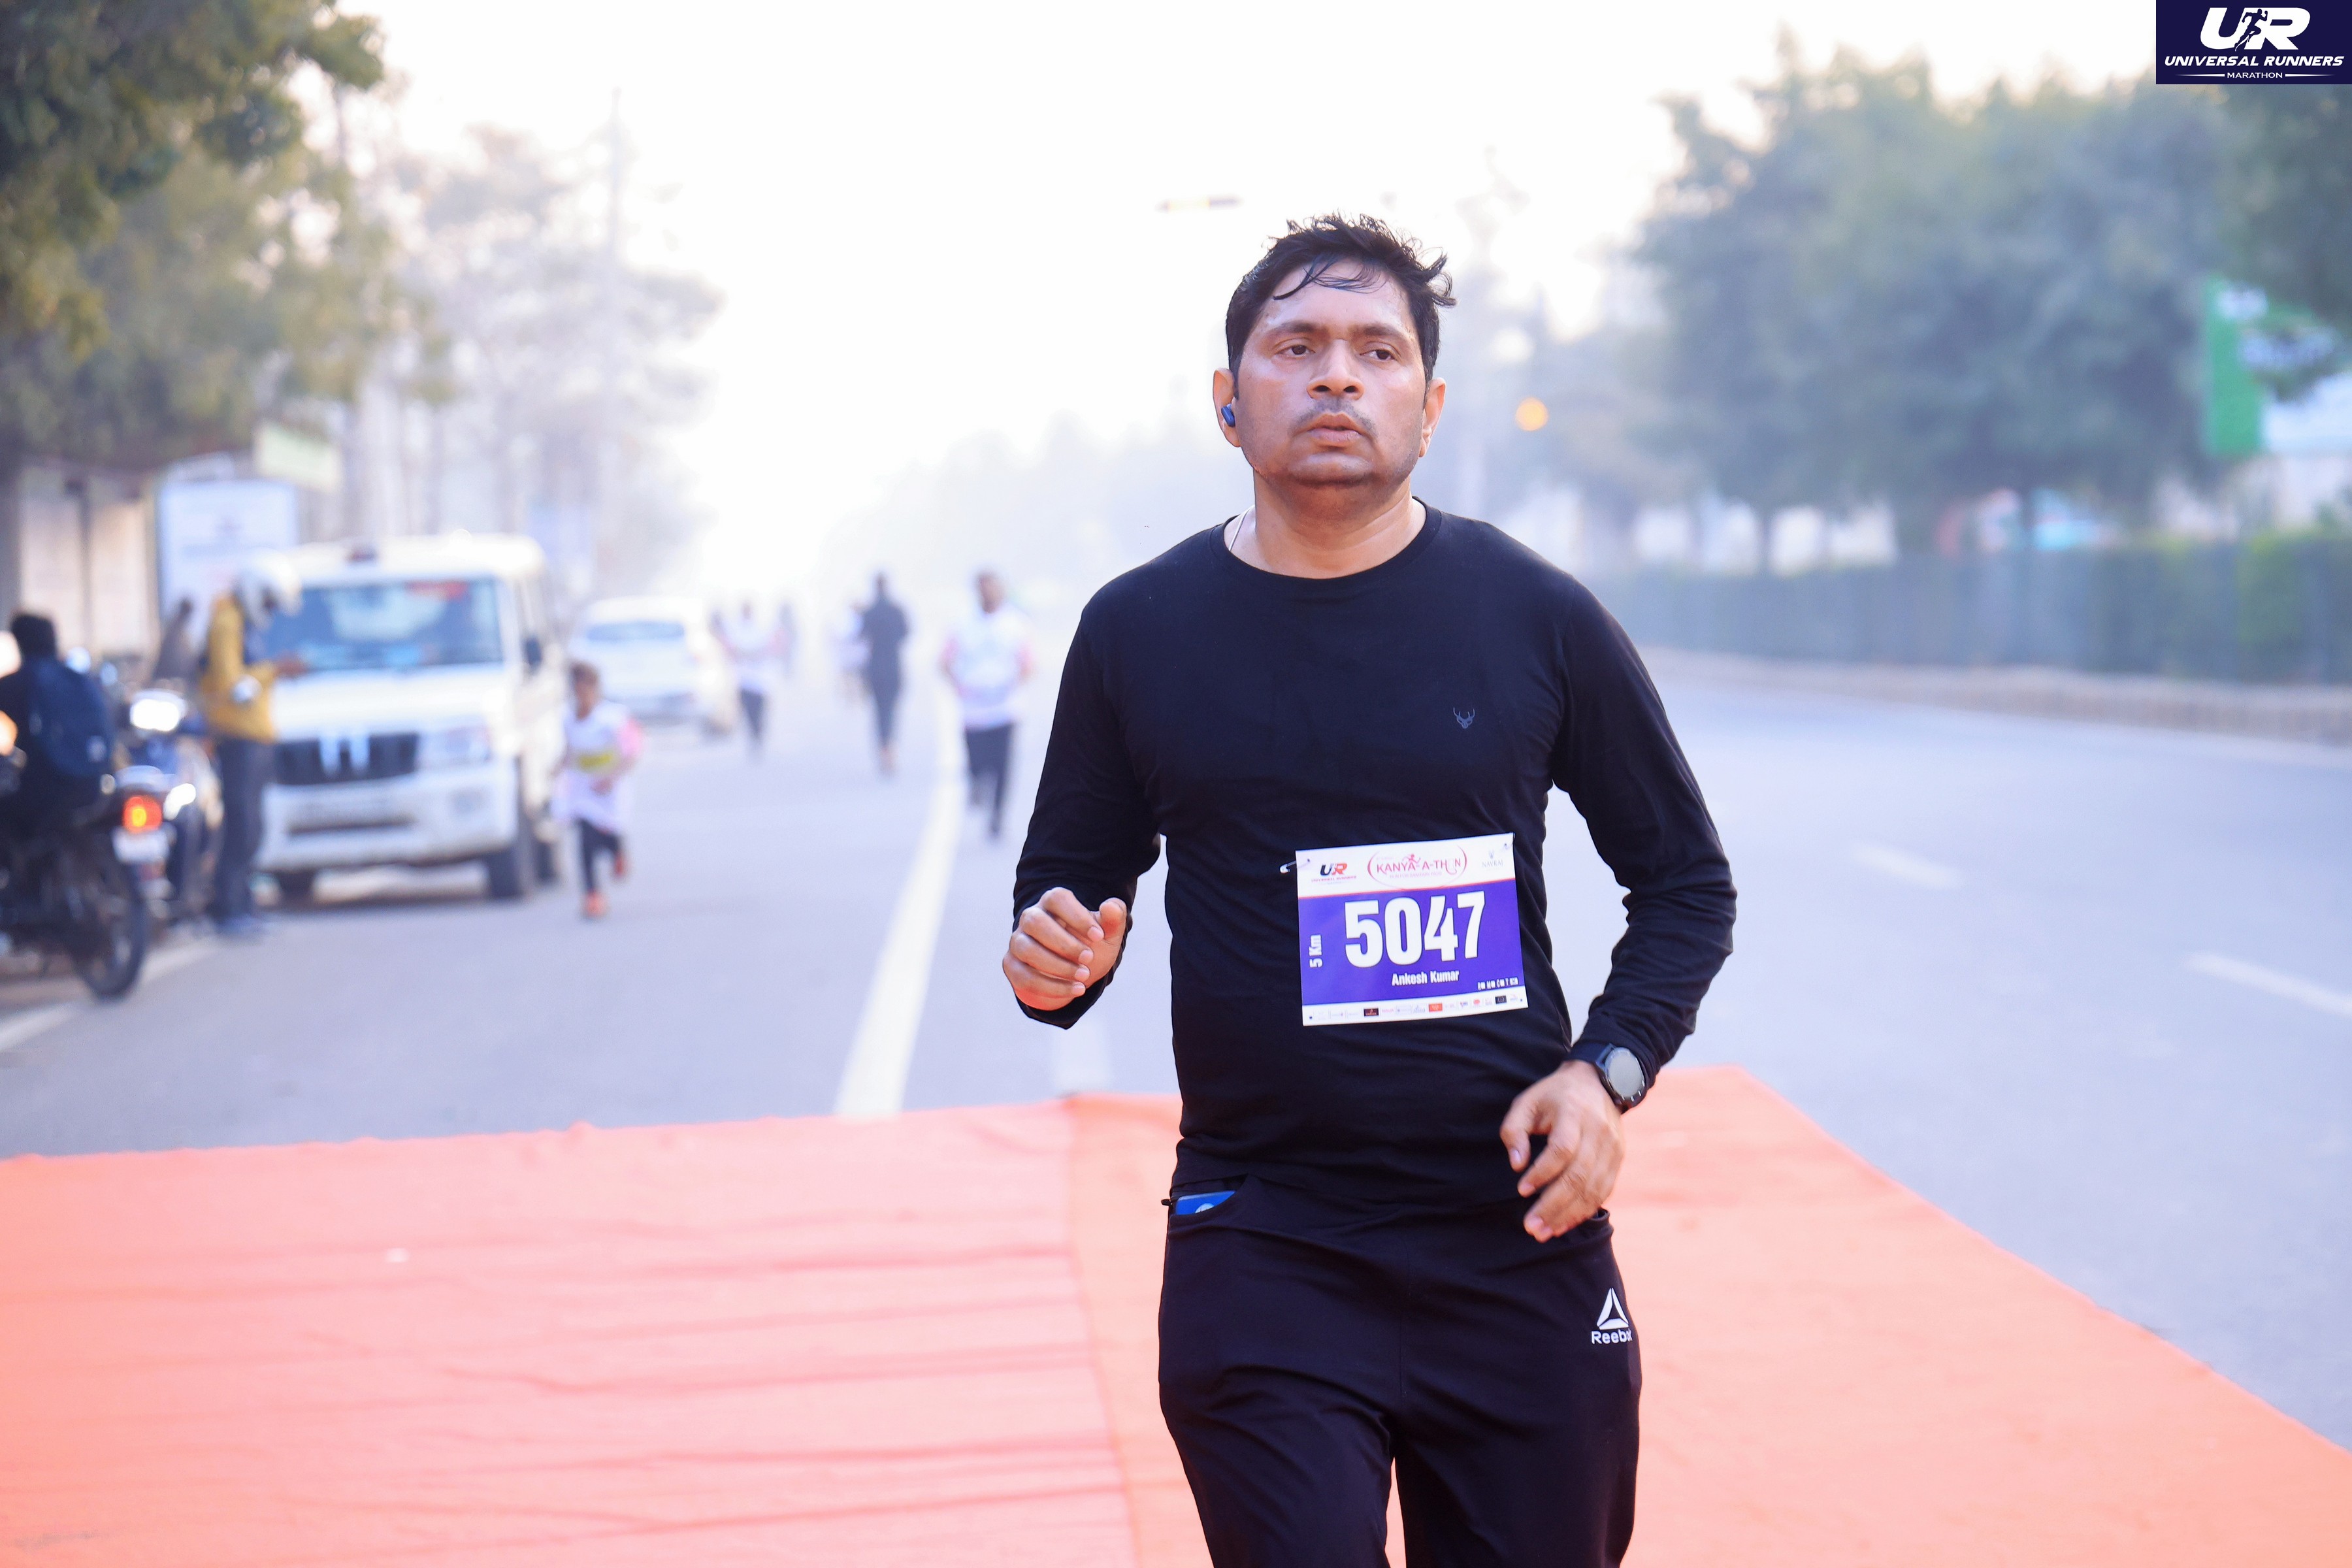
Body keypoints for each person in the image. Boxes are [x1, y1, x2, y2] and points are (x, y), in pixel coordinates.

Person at [1002, 216, 1735, 1567]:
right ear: (1229, 402)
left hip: (1514, 1232)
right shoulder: (1137, 632)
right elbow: (1066, 898)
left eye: (1376, 351)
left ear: (1430, 406)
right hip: (1265, 1238)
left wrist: (1604, 1076)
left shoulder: (1536, 616)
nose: (1337, 374)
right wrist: (1055, 956)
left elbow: (1686, 882)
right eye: (1295, 346)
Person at [199, 558, 306, 936]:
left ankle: (243, 903)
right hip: (237, 737)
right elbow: (234, 686)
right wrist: (275, 671)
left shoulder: (244, 625)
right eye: (270, 603)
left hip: (256, 737)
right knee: (241, 824)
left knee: (253, 826)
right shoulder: (227, 623)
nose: (271, 611)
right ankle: (227, 907)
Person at [0, 612, 113, 838]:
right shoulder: (81, 680)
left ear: (19, 642)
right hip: (94, 787)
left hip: (44, 791)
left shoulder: (17, 683)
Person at [939, 569, 1032, 840]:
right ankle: (977, 787)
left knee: (1003, 767)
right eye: (983, 588)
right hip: (974, 711)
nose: (989, 593)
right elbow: (944, 661)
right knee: (977, 764)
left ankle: (997, 817)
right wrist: (959, 686)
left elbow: (1028, 663)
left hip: (1005, 709)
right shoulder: (963, 624)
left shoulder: (1016, 624)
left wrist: (1012, 686)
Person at [553, 661, 642, 920]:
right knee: (585, 840)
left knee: (607, 834)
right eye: (577, 690)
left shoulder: (613, 718)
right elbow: (569, 751)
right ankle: (592, 895)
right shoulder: (568, 719)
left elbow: (632, 752)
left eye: (586, 689)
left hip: (609, 790)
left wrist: (611, 778)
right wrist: (557, 769)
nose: (582, 696)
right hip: (583, 791)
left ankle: (617, 852)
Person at [855, 573, 909, 776]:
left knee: (879, 713)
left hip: (875, 668)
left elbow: (860, 636)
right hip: (893, 667)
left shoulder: (869, 612)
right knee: (891, 711)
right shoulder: (897, 610)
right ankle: (890, 750)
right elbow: (906, 634)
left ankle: (883, 749)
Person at [721, 599, 774, 759]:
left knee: (759, 712)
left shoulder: (760, 629)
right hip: (743, 680)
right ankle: (752, 737)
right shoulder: (735, 629)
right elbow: (732, 650)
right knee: (748, 713)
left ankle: (759, 735)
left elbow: (766, 648)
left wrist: (751, 654)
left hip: (760, 681)